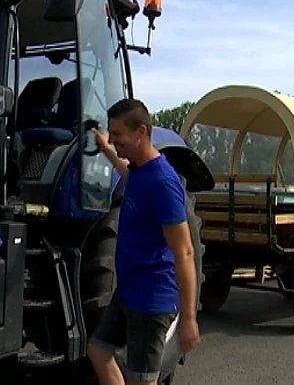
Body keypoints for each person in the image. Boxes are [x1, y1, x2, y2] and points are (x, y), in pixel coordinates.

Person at [86, 98, 201, 385]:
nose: (114, 140)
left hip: (150, 302)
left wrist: (188, 319)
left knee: (142, 380)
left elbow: (185, 252)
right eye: (110, 134)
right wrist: (105, 148)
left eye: (118, 134)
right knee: (98, 351)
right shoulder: (139, 171)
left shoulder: (163, 182)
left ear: (141, 132)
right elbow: (128, 175)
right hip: (128, 292)